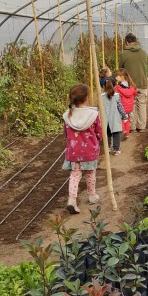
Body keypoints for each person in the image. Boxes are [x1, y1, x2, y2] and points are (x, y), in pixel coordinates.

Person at [62, 84, 102, 213]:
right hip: (89, 151)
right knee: (90, 173)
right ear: (87, 98)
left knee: (75, 175)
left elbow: (66, 134)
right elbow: (99, 132)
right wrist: (99, 140)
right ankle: (91, 196)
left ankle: (72, 200)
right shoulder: (93, 114)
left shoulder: (67, 115)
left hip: (74, 151)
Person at [119, 33, 148, 132]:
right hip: (142, 82)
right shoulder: (143, 52)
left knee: (131, 104)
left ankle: (131, 126)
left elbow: (120, 69)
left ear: (126, 42)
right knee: (142, 104)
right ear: (135, 41)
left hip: (129, 85)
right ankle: (141, 126)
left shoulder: (124, 53)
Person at [100, 77, 127, 156]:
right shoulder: (117, 96)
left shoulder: (101, 96)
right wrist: (124, 116)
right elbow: (120, 107)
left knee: (107, 134)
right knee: (116, 134)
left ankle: (107, 148)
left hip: (105, 119)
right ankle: (116, 149)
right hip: (115, 119)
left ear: (104, 87)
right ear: (115, 86)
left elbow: (99, 108)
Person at [114, 68, 137, 141]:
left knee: (120, 119)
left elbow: (115, 96)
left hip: (122, 108)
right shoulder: (131, 86)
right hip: (129, 108)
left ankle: (122, 129)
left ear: (122, 77)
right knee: (127, 120)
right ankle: (127, 135)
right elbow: (135, 93)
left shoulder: (118, 88)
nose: (115, 77)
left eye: (117, 76)